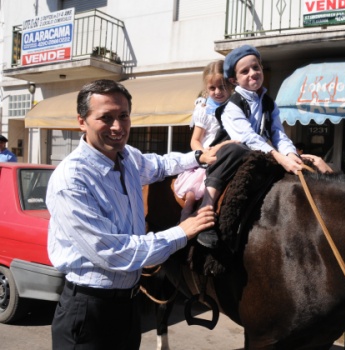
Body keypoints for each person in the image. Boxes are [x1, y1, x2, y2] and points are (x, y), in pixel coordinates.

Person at [46, 79, 226, 350]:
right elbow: (114, 253)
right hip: (89, 312)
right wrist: (182, 231)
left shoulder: (127, 158)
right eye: (105, 118)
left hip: (128, 308)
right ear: (82, 121)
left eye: (123, 116)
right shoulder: (72, 179)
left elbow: (159, 165)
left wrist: (198, 157)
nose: (117, 127)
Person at [195, 45, 304, 249]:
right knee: (237, 149)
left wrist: (290, 153)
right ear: (234, 80)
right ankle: (206, 209)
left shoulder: (269, 104)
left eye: (256, 68)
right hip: (228, 156)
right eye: (244, 71)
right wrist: (279, 157)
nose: (253, 73)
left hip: (258, 155)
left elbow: (278, 134)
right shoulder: (231, 106)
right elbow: (247, 137)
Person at [173, 60, 232, 220]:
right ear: (206, 89)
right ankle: (187, 213)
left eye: (222, 86)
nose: (218, 92)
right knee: (196, 186)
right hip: (208, 157)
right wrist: (203, 153)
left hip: (228, 156)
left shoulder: (236, 108)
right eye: (212, 88)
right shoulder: (205, 110)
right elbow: (195, 140)